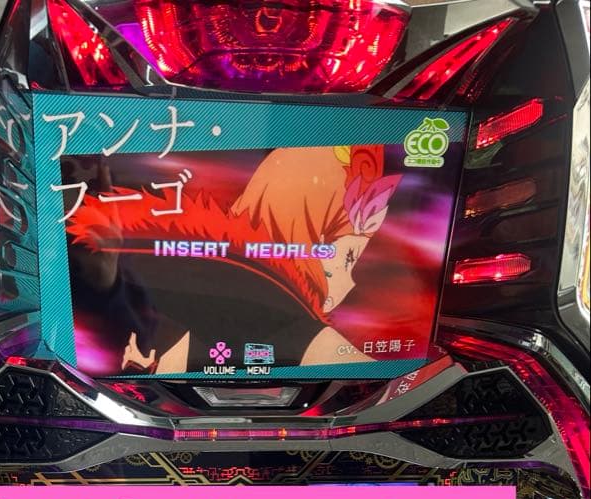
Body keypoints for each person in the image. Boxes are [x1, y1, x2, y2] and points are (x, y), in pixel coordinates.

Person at [66, 144, 401, 376]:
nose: (351, 280)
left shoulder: (183, 339)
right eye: (349, 257)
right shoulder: (324, 348)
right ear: (301, 230)